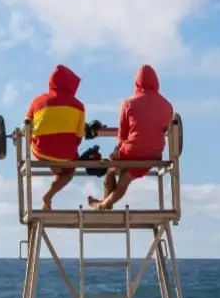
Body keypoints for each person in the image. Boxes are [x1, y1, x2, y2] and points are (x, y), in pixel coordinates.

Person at [88, 64, 174, 211]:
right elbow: (163, 128)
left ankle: (104, 205)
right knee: (124, 180)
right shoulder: (168, 106)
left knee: (110, 170)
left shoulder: (128, 103)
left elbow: (122, 134)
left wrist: (117, 151)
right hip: (154, 155)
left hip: (132, 151)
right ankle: (104, 203)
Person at [25, 64, 86, 210]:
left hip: (40, 151)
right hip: (64, 155)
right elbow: (79, 137)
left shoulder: (38, 101)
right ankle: (49, 195)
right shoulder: (79, 106)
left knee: (53, 155)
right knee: (69, 170)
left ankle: (54, 169)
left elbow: (27, 125)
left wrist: (31, 145)